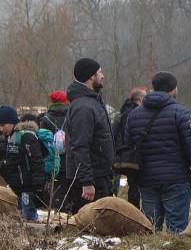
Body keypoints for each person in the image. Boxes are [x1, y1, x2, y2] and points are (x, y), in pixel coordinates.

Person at [126, 72, 191, 233]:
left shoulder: (134, 115)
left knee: (151, 227)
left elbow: (128, 146)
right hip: (176, 179)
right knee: (177, 229)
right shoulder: (180, 113)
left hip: (146, 179)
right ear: (173, 89)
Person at [64, 58, 114, 214]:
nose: (103, 76)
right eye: (100, 72)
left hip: (98, 176)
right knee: (90, 230)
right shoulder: (84, 107)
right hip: (90, 180)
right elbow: (80, 145)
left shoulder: (92, 102)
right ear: (91, 76)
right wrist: (87, 181)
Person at [0, 106, 44, 221]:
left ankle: (36, 237)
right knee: (21, 216)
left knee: (29, 216)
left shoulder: (26, 136)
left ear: (11, 122)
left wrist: (38, 183)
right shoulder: (10, 137)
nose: (1, 129)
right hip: (17, 187)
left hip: (27, 187)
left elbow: (36, 159)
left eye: (3, 125)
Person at [112, 87, 146, 206]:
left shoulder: (124, 111)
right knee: (135, 186)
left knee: (133, 185)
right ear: (140, 99)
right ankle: (135, 210)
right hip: (131, 155)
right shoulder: (133, 113)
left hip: (124, 154)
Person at [39, 91, 69, 208]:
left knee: (56, 192)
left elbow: (42, 142)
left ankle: (56, 214)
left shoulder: (46, 119)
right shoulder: (70, 115)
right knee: (69, 190)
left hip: (53, 161)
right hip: (69, 161)